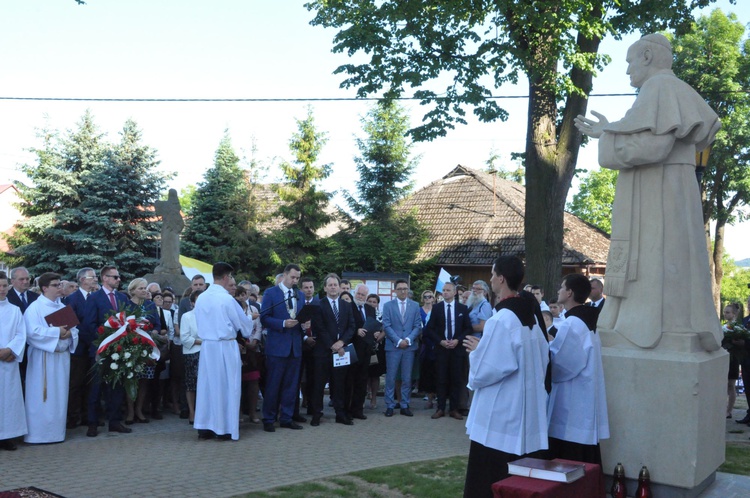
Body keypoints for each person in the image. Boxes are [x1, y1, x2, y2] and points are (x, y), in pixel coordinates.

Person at [574, 33, 722, 351]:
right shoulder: (672, 90)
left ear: (646, 57)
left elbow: (654, 146)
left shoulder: (659, 88)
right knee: (676, 260)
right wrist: (611, 128)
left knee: (657, 260)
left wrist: (607, 139)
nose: (627, 71)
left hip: (658, 194)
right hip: (670, 189)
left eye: (629, 62)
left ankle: (651, 330)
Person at [462, 256, 549, 498]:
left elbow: (489, 369)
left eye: (492, 275)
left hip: (500, 411)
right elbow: (543, 357)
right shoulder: (530, 316)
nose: (490, 279)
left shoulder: (502, 319)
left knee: (491, 474)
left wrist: (476, 352)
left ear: (501, 279)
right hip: (524, 405)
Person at [547, 273, 609, 464]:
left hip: (572, 401)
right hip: (584, 394)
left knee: (569, 459)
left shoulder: (573, 323)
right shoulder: (587, 321)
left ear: (569, 293)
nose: (558, 290)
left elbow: (562, 365)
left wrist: (545, 348)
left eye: (562, 287)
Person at [193, 262, 253, 440]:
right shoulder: (227, 299)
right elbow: (244, 326)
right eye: (232, 277)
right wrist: (250, 317)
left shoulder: (202, 297)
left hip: (207, 346)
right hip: (225, 346)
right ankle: (225, 428)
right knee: (228, 386)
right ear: (226, 277)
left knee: (208, 386)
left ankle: (205, 427)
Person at [24, 272, 79, 443]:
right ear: (45, 288)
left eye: (60, 285)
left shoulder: (62, 307)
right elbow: (31, 333)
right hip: (43, 359)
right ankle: (37, 435)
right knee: (41, 397)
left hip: (61, 359)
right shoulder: (34, 308)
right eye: (56, 285)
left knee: (59, 395)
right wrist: (57, 332)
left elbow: (75, 329)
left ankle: (57, 433)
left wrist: (70, 333)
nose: (59, 288)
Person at [82, 265, 131, 437]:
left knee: (116, 387)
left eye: (118, 277)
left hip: (119, 350)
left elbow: (129, 319)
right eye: (115, 277)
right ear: (105, 278)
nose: (118, 280)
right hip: (100, 349)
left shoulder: (121, 297)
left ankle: (115, 421)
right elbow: (89, 325)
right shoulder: (94, 298)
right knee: (96, 388)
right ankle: (93, 423)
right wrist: (102, 341)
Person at [260, 264, 306, 432]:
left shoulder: (299, 294)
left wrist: (305, 323)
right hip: (277, 346)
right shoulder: (271, 293)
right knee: (273, 384)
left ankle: (287, 417)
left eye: (297, 278)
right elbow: (264, 317)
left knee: (291, 385)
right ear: (285, 275)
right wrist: (282, 323)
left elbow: (301, 316)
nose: (295, 280)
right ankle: (269, 418)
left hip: (295, 347)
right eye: (292, 277)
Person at [309, 273, 356, 426]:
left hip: (341, 352)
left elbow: (351, 327)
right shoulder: (318, 305)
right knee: (319, 384)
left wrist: (341, 342)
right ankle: (317, 414)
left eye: (335, 285)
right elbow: (319, 328)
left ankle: (340, 414)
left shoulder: (346, 305)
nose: (333, 287)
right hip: (323, 351)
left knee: (339, 384)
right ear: (325, 288)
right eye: (330, 285)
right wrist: (332, 345)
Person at [426, 281, 472, 421]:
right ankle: (440, 408)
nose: (445, 292)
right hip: (442, 349)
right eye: (443, 290)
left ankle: (454, 409)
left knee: (456, 379)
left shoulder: (462, 309)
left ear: (454, 292)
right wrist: (440, 341)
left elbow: (468, 328)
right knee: (441, 378)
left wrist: (458, 340)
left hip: (457, 349)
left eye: (448, 290)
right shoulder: (437, 308)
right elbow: (429, 329)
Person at [63, 267, 98, 429]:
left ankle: (88, 415)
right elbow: (73, 324)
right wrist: (91, 338)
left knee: (90, 384)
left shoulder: (96, 297)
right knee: (76, 384)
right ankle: (72, 416)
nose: (95, 279)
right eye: (92, 277)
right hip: (78, 348)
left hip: (94, 349)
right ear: (82, 280)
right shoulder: (72, 299)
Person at [382, 279, 421, 417]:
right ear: (395, 291)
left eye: (405, 288)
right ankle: (390, 405)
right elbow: (386, 325)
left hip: (409, 347)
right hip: (393, 346)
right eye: (400, 289)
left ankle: (405, 404)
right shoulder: (388, 306)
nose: (403, 291)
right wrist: (398, 341)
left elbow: (417, 325)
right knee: (391, 377)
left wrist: (408, 340)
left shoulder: (415, 305)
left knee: (407, 377)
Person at [124, 278, 161, 424]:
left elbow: (157, 324)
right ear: (132, 290)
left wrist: (155, 332)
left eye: (145, 288)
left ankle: (139, 409)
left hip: (147, 347)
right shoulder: (127, 305)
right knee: (131, 379)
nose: (144, 291)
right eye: (141, 288)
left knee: (144, 380)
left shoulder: (150, 305)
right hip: (131, 347)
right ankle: (130, 410)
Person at [0, 271, 27, 451]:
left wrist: (10, 350)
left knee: (8, 400)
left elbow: (21, 333)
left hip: (8, 362)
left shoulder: (14, 310)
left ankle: (7, 436)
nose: (2, 289)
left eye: (4, 286)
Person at [344, 283, 376, 420]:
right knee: (349, 381)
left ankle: (358, 410)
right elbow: (345, 326)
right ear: (354, 293)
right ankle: (347, 410)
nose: (361, 297)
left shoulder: (370, 309)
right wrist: (356, 331)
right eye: (359, 294)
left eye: (363, 295)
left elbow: (373, 324)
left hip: (366, 350)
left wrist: (375, 332)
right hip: (352, 349)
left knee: (362, 381)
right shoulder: (348, 307)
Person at [180, 290, 202, 425]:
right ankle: (192, 412)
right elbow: (185, 337)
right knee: (191, 383)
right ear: (192, 303)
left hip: (207, 352)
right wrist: (202, 341)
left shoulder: (210, 316)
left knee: (204, 383)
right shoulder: (187, 316)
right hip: (192, 352)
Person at [366, 293, 386, 410]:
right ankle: (364, 396)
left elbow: (386, 328)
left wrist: (380, 335)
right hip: (365, 348)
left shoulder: (381, 315)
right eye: (370, 301)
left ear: (378, 304)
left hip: (377, 349)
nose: (372, 304)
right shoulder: (364, 313)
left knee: (375, 375)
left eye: (375, 302)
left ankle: (374, 397)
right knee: (365, 375)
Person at [418, 289, 436, 410]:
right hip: (424, 343)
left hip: (437, 343)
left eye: (430, 297)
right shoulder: (418, 310)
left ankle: (437, 397)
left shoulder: (437, 309)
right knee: (427, 371)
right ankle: (429, 398)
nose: (428, 299)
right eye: (425, 297)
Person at [722, 303, 741, 419]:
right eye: (724, 312)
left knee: (730, 384)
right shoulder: (723, 327)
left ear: (734, 314)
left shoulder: (737, 328)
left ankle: (729, 410)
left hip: (733, 358)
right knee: (723, 384)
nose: (725, 314)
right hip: (723, 357)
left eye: (728, 312)